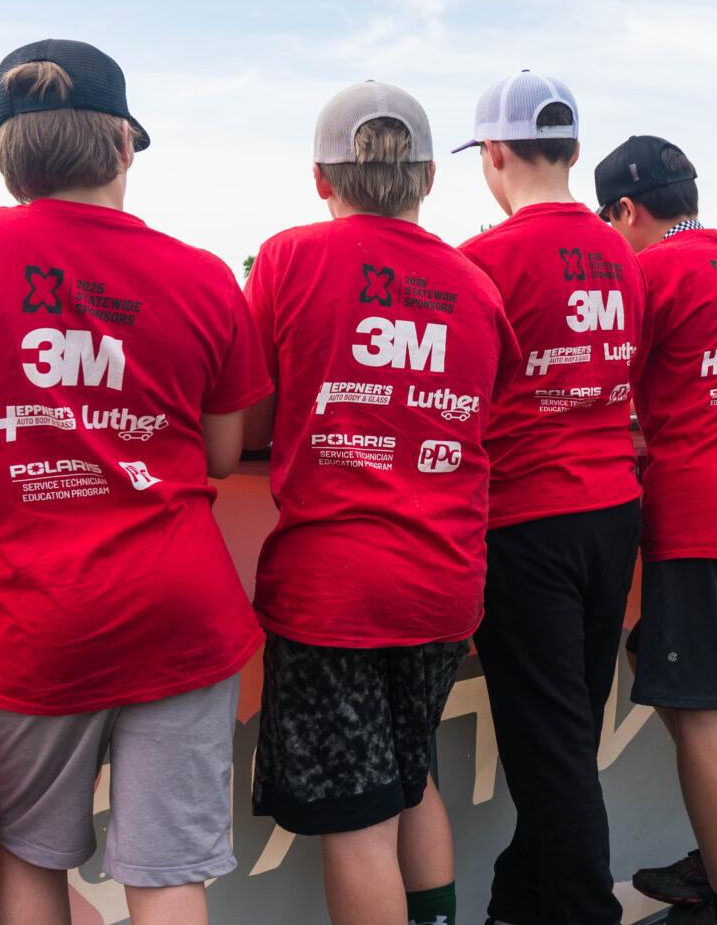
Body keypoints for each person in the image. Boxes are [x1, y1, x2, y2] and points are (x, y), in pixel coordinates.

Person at [0, 39, 272, 925]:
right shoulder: (201, 272)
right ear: (122, 145)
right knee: (168, 867)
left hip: (43, 613)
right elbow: (223, 453)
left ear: (8, 151)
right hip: (182, 607)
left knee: (33, 850)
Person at [243, 80, 517, 925]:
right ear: (428, 177)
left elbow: (251, 417)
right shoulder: (474, 283)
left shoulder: (289, 258)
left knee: (359, 821)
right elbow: (483, 407)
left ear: (321, 178)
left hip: (335, 590)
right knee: (411, 777)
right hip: (444, 580)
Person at [454, 71, 645, 925]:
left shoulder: (483, 260)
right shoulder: (621, 252)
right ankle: (519, 900)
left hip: (526, 519)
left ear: (495, 153)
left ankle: (579, 910)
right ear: (572, 150)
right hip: (611, 512)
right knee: (565, 737)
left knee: (552, 748)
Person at [598, 135, 717, 923]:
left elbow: (605, 386)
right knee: (663, 661)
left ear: (625, 210)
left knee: (707, 716)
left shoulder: (651, 272)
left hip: (700, 514)